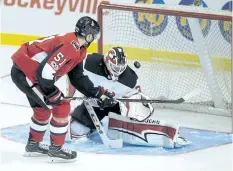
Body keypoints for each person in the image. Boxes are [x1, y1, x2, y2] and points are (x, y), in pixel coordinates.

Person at [10, 16, 114, 163]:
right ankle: (56, 149)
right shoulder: (70, 46)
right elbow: (45, 72)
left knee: (43, 110)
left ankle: (33, 146)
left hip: (27, 72)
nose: (94, 38)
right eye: (94, 35)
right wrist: (52, 93)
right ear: (88, 34)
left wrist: (98, 94)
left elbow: (77, 77)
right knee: (62, 105)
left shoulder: (78, 48)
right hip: (26, 72)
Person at [68, 47, 190, 148]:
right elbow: (73, 72)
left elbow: (135, 99)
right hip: (91, 105)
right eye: (115, 68)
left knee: (128, 123)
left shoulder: (130, 79)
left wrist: (140, 104)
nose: (117, 72)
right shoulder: (90, 62)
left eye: (121, 69)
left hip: (114, 107)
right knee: (76, 131)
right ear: (106, 62)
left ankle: (166, 133)